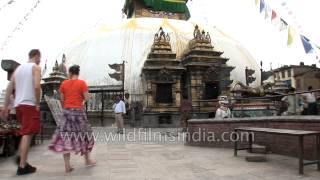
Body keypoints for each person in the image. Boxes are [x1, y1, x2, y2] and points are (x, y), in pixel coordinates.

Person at [0, 49, 42, 175]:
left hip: (19, 106)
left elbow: (9, 88)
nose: (40, 61)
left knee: (27, 132)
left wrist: (5, 106)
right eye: (39, 58)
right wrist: (38, 103)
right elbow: (36, 87)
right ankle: (22, 165)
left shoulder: (18, 70)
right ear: (36, 56)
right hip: (29, 104)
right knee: (28, 133)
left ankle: (23, 160)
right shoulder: (35, 67)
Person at [48, 65, 96, 173]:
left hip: (67, 113)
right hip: (79, 113)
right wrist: (83, 99)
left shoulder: (64, 84)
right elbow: (87, 97)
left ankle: (67, 166)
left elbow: (62, 99)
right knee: (86, 136)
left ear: (70, 73)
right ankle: (87, 160)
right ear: (77, 73)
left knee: (65, 138)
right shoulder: (82, 83)